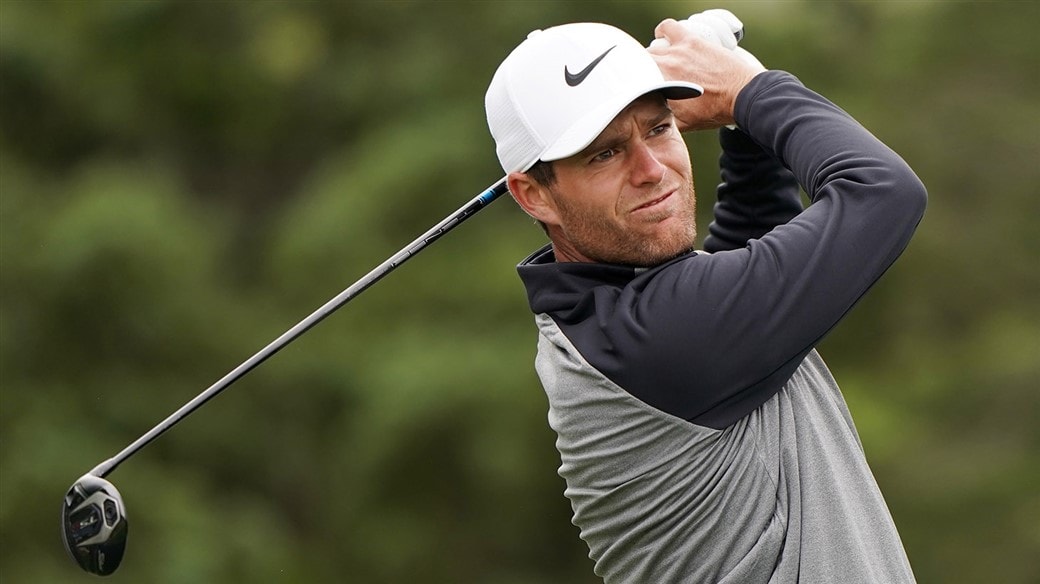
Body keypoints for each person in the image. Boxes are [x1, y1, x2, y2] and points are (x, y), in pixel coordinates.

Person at [484, 14, 926, 584]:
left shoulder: (609, 324)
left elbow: (750, 237)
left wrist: (740, 124)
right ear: (533, 195)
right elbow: (883, 192)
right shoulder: (654, 341)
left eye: (658, 128)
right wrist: (748, 90)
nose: (651, 170)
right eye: (605, 154)